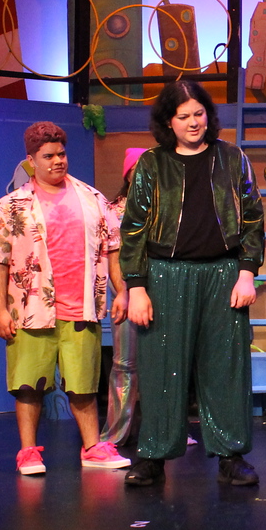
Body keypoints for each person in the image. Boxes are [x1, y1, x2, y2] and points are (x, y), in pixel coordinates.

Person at [120, 82, 264, 487]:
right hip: (167, 274)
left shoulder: (232, 158)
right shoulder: (152, 164)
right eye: (183, 116)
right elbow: (133, 228)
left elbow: (252, 218)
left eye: (198, 113)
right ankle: (153, 455)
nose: (193, 122)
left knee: (225, 367)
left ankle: (231, 454)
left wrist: (247, 271)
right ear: (169, 122)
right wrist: (136, 287)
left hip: (223, 273)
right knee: (162, 366)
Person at [0, 121, 130, 476]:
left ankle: (92, 447)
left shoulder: (93, 199)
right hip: (30, 309)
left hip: (81, 308)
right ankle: (28, 451)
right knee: (28, 386)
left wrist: (122, 291)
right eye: (48, 156)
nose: (58, 161)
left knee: (83, 385)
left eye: (61, 154)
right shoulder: (11, 205)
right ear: (31, 160)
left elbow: (114, 250)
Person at [99, 147, 145, 448]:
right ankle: (115, 433)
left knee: (166, 364)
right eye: (139, 169)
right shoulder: (114, 211)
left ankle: (165, 431)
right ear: (128, 175)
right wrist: (124, 292)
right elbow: (111, 257)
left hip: (162, 292)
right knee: (125, 364)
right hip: (128, 294)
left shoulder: (165, 208)